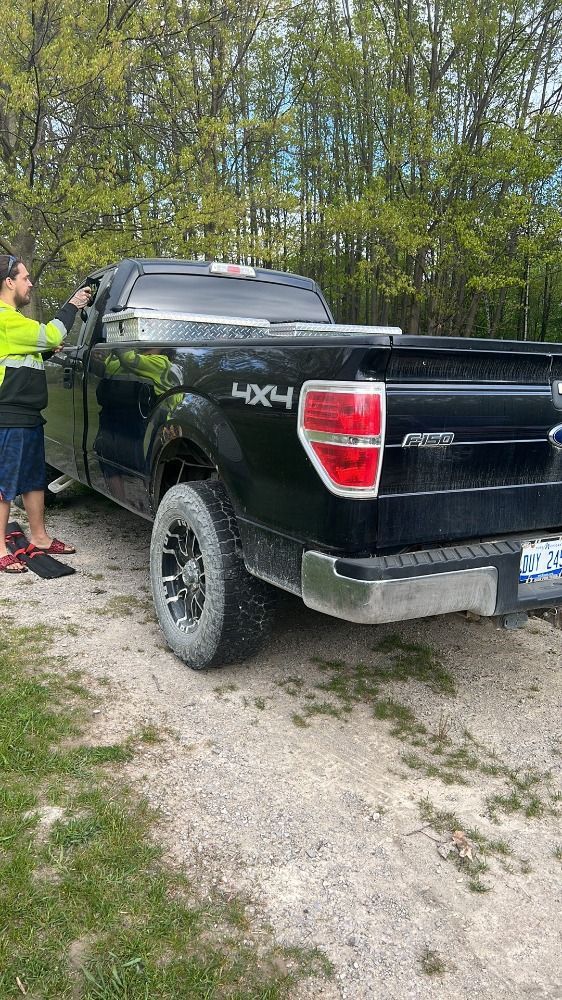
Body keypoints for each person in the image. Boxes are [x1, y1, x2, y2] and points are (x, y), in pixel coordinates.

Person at [0, 255, 91, 573]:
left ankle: (39, 538)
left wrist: (40, 350)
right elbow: (52, 333)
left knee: (33, 480)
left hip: (28, 414)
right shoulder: (5, 318)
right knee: (4, 482)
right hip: (7, 416)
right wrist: (74, 304)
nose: (30, 282)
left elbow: (19, 352)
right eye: (25, 277)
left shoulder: (13, 324)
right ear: (9, 282)